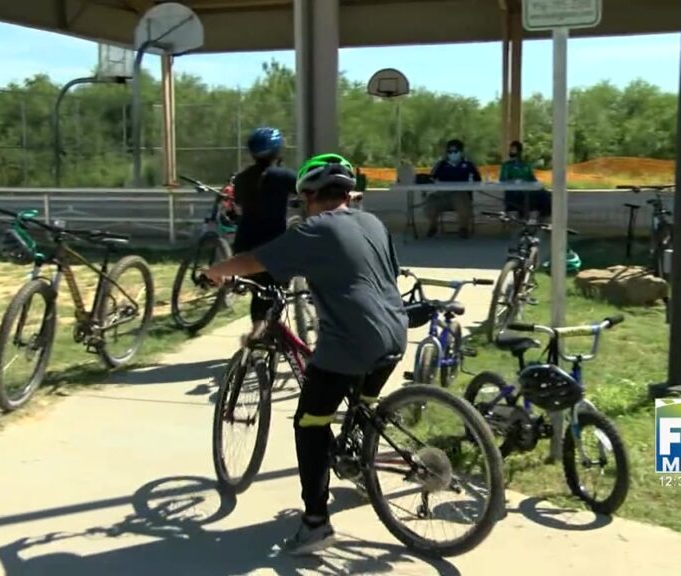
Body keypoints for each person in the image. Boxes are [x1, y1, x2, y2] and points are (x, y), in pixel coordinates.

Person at [203, 153, 408, 555]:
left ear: (309, 196)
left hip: (351, 342)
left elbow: (256, 261)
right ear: (349, 193)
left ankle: (315, 523)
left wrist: (217, 271)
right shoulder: (374, 223)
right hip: (395, 334)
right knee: (360, 407)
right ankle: (361, 464)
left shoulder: (314, 228)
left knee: (310, 424)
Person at [230, 126, 297, 341]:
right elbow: (309, 190)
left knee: (259, 291)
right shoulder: (282, 176)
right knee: (276, 286)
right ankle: (263, 334)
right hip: (272, 245)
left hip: (243, 244)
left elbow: (240, 204)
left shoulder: (241, 179)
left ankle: (259, 329)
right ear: (278, 151)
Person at [424, 138, 482, 238]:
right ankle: (433, 226)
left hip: (461, 195)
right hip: (444, 195)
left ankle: (463, 228)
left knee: (461, 199)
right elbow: (431, 178)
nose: (453, 154)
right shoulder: (441, 165)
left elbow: (478, 180)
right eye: (450, 152)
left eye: (455, 151)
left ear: (461, 152)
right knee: (431, 200)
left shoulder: (468, 165)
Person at [499, 140, 550, 219]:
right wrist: (514, 181)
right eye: (511, 149)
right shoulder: (507, 165)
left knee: (544, 194)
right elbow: (503, 179)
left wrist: (538, 186)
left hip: (527, 190)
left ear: (519, 151)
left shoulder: (525, 165)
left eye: (513, 149)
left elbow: (532, 178)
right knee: (523, 196)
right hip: (514, 191)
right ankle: (525, 216)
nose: (511, 151)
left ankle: (537, 217)